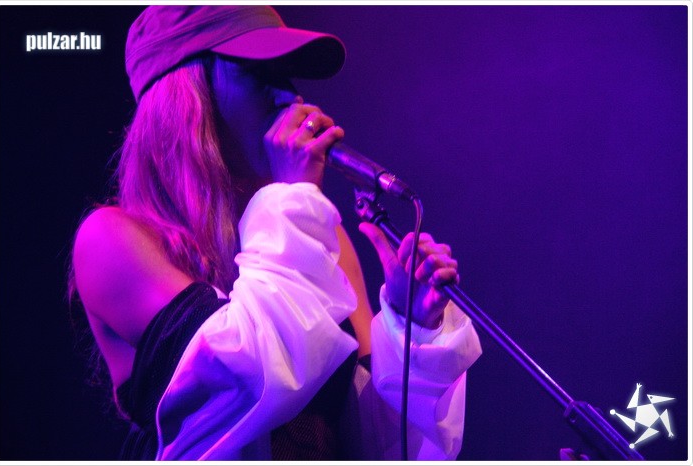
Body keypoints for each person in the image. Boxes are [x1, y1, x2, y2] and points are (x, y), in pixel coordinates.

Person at [69, 5, 482, 461]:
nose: (291, 98)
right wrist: (294, 197)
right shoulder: (112, 240)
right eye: (260, 74)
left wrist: (410, 326)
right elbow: (247, 381)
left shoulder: (318, 236)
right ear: (189, 99)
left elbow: (376, 446)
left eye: (288, 77)